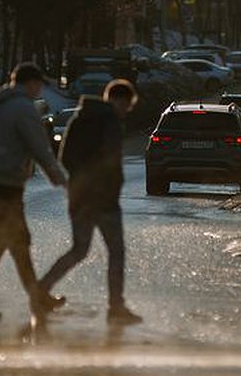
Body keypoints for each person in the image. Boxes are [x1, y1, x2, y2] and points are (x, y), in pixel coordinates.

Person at [0, 63, 67, 323]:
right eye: (38, 84)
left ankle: (33, 297)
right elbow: (39, 148)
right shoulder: (23, 108)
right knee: (6, 244)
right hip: (8, 185)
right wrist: (61, 180)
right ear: (30, 83)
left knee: (13, 243)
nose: (40, 89)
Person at [39, 79, 143, 325]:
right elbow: (110, 161)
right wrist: (107, 186)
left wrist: (81, 181)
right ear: (118, 100)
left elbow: (64, 157)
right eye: (127, 105)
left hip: (80, 196)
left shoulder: (79, 118)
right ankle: (116, 307)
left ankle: (41, 289)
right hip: (104, 200)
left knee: (79, 250)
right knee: (116, 252)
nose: (127, 110)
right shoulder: (110, 123)